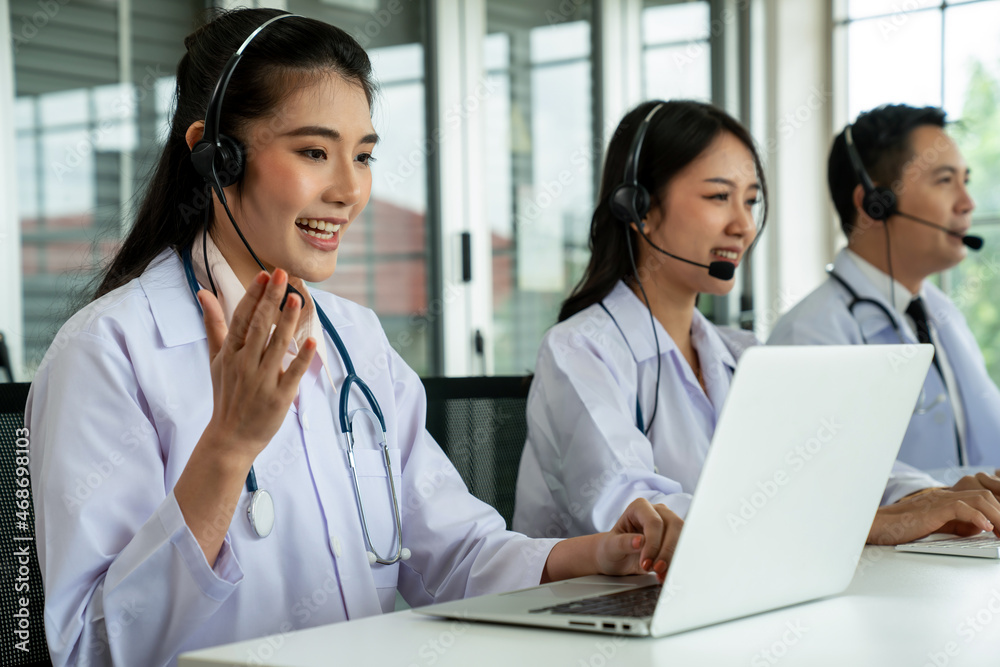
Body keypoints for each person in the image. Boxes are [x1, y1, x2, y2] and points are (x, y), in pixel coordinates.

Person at [26, 10, 679, 667]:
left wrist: (597, 554)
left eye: (363, 155)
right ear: (216, 158)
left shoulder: (355, 340)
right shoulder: (108, 352)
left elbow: (454, 551)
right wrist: (226, 449)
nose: (349, 190)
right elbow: (91, 646)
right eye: (314, 152)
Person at [513, 99, 1000, 546]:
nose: (743, 226)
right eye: (718, 197)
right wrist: (859, 522)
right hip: (593, 613)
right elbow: (641, 518)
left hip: (716, 602)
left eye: (750, 201)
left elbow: (838, 457)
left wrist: (929, 496)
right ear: (640, 208)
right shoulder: (580, 351)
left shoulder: (743, 354)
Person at [768, 104, 1000, 479]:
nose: (967, 203)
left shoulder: (944, 314)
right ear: (874, 205)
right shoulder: (808, 337)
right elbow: (819, 490)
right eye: (944, 181)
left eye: (966, 181)